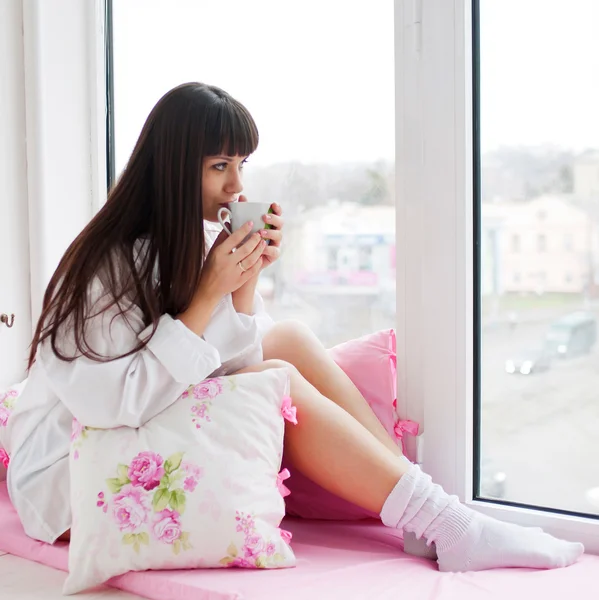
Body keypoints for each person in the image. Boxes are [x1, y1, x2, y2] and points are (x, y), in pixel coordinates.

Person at [3, 83, 583, 572]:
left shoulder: (183, 241)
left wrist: (245, 285)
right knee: (279, 377)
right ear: (175, 169)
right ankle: (449, 525)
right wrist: (208, 296)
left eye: (241, 164)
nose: (236, 186)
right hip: (68, 476)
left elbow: (230, 358)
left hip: (127, 418)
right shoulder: (109, 263)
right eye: (219, 166)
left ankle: (428, 518)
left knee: (289, 338)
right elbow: (113, 404)